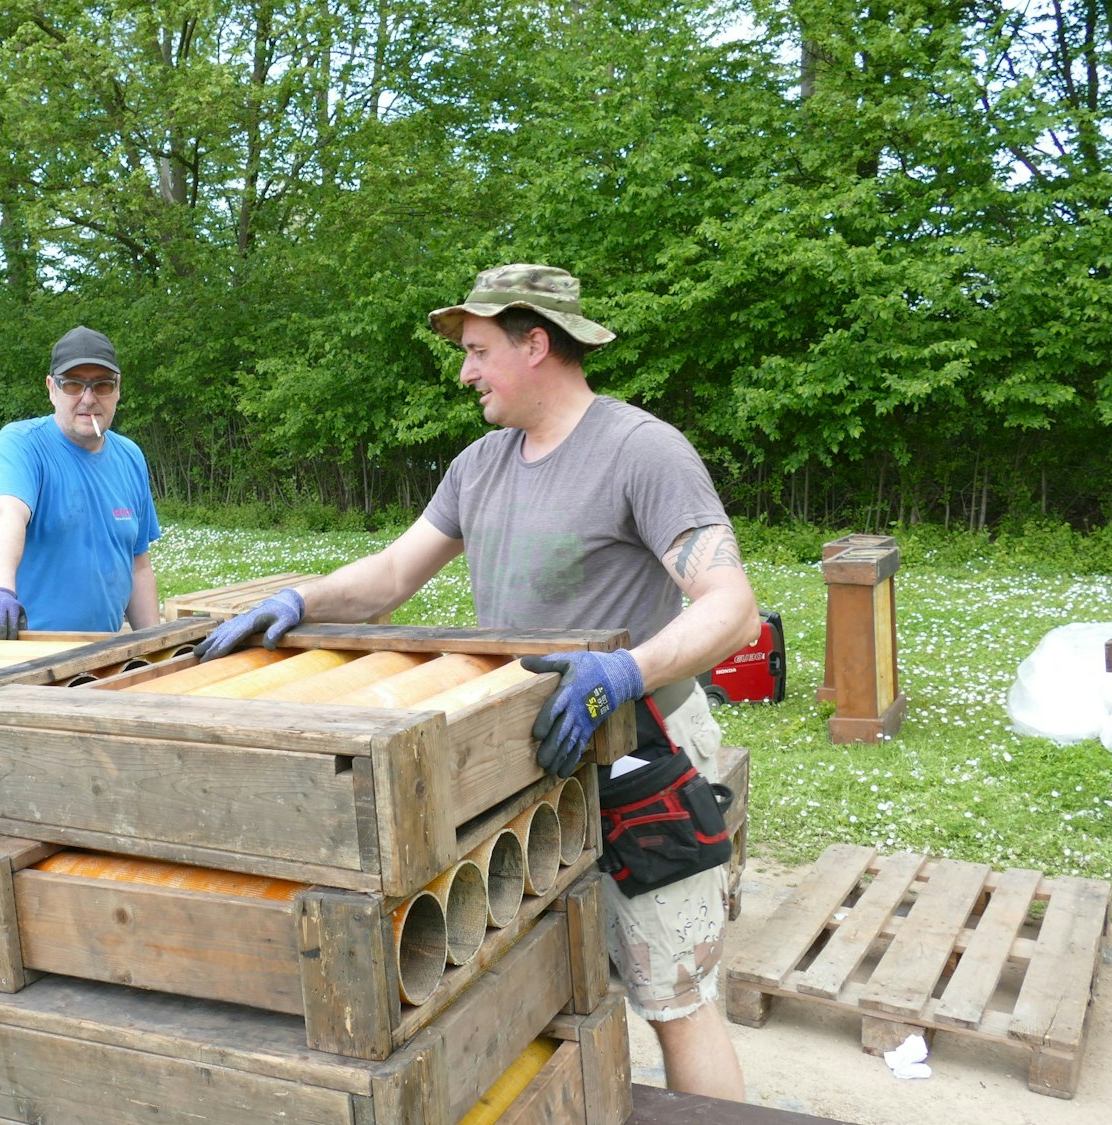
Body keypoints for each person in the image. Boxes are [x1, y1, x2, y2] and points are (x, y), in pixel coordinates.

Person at [194, 264, 757, 1100]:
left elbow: (734, 606)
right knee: (549, 990)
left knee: (674, 995)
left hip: (642, 757)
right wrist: (296, 599)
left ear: (537, 343)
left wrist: (625, 669)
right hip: (528, 766)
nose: (464, 372)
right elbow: (389, 577)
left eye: (478, 350)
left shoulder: (641, 450)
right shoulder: (481, 465)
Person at [0, 326, 162, 638]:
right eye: (73, 385)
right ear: (51, 388)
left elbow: (138, 565)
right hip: (31, 653)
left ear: (118, 389)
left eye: (102, 385)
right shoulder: (24, 444)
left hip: (102, 655)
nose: (88, 399)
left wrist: (155, 645)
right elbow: (7, 516)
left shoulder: (130, 457)